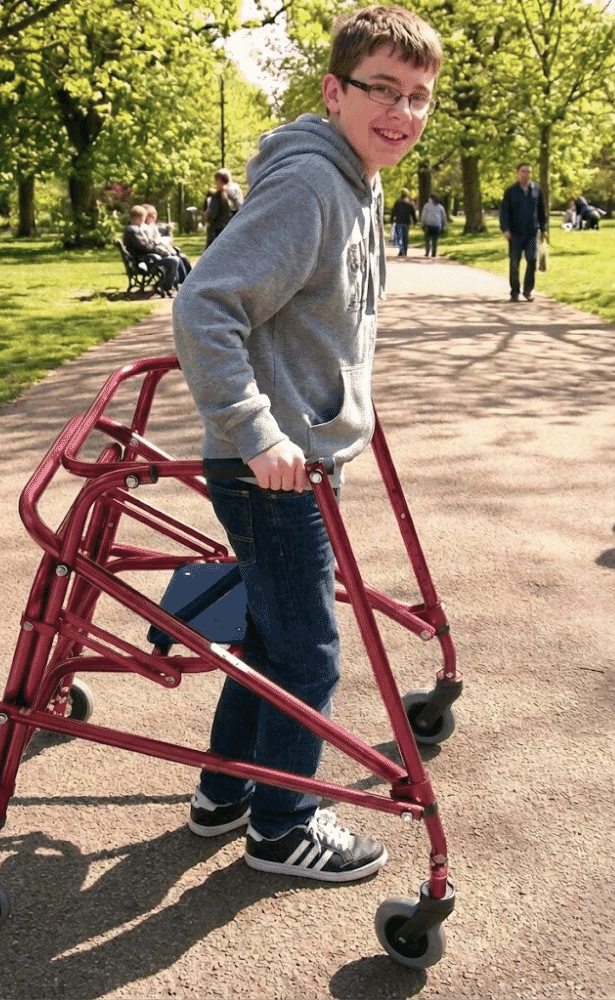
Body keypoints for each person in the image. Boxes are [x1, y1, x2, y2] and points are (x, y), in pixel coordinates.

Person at [173, 5, 442, 882]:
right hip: (275, 470)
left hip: (296, 456)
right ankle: (282, 827)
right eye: (382, 90)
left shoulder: (356, 179)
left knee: (270, 637)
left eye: (418, 96)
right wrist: (259, 433)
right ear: (334, 91)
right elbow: (204, 306)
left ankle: (224, 794)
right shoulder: (311, 187)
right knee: (308, 652)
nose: (402, 112)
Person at [500, 162, 548, 302]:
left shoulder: (537, 189)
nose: (525, 174)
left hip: (532, 232)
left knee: (532, 260)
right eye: (523, 171)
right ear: (518, 173)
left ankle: (528, 291)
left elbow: (542, 210)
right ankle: (514, 291)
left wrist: (544, 228)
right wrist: (505, 229)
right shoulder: (511, 191)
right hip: (515, 233)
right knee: (514, 263)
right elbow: (504, 212)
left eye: (528, 171)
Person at [122, 204, 179, 298]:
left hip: (147, 259)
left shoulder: (136, 229)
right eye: (144, 217)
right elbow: (145, 247)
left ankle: (169, 286)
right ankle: (167, 287)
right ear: (140, 217)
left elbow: (146, 245)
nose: (144, 220)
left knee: (174, 258)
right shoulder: (132, 231)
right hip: (144, 262)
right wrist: (156, 244)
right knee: (174, 260)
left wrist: (155, 244)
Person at [143, 204, 192, 285]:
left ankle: (189, 281)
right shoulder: (144, 228)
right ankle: (183, 282)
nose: (153, 217)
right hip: (155, 255)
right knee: (177, 259)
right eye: (150, 215)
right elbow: (151, 243)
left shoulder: (152, 226)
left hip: (162, 249)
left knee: (184, 258)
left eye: (154, 214)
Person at [203, 169, 243, 246]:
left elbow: (212, 214)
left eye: (217, 180)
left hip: (221, 230)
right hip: (225, 229)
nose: (216, 183)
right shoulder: (233, 191)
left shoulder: (223, 194)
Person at [389, 189, 417, 255]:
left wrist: (391, 219)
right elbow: (413, 213)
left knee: (399, 236)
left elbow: (393, 211)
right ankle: (405, 249)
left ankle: (401, 249)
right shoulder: (410, 203)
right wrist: (415, 221)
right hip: (406, 221)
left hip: (399, 221)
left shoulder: (397, 202)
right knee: (405, 236)